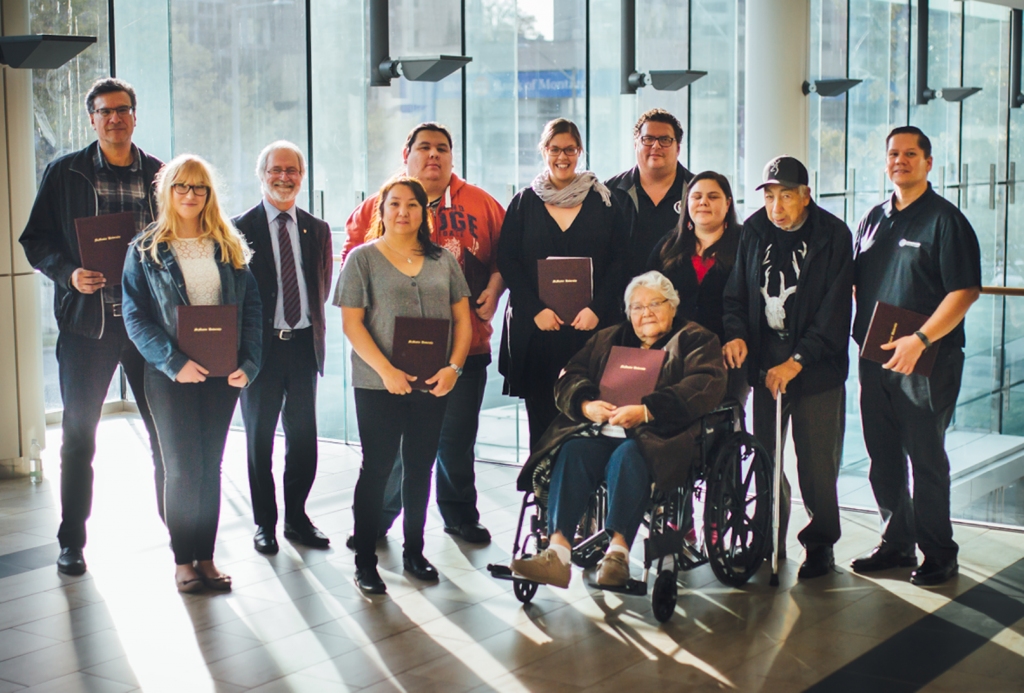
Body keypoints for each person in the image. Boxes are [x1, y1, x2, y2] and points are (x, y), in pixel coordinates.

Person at [19, 78, 164, 576]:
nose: (115, 119)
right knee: (79, 437)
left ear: (135, 115)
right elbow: (35, 240)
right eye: (105, 112)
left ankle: (179, 537)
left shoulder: (160, 175)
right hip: (89, 326)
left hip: (150, 328)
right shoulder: (66, 173)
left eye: (123, 110)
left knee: (165, 432)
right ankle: (72, 541)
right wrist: (69, 273)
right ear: (92, 119)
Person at [342, 123, 505, 546]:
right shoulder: (380, 203)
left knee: (455, 441)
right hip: (392, 356)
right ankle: (378, 520)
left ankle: (458, 515)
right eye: (425, 148)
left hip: (463, 350)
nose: (434, 155)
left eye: (443, 149)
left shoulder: (482, 203)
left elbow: (508, 256)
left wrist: (493, 289)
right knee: (393, 451)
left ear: (453, 157)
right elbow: (352, 264)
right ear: (407, 154)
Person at [510, 271, 725, 587]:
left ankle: (617, 555)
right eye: (636, 307)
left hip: (658, 438)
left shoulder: (696, 339)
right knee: (571, 450)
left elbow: (705, 384)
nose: (646, 313)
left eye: (655, 304)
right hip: (601, 433)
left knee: (629, 454)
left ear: (673, 306)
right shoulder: (609, 337)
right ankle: (557, 554)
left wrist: (647, 411)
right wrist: (586, 405)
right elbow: (570, 374)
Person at [122, 154, 262, 593]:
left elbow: (252, 311)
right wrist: (172, 362)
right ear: (167, 191)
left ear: (209, 194)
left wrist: (249, 363)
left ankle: (206, 556)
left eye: (199, 187)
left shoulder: (229, 245)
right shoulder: (145, 249)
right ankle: (184, 560)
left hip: (223, 375)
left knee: (211, 466)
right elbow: (135, 316)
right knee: (182, 467)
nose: (190, 195)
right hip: (170, 376)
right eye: (181, 186)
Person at [850, 126, 981, 586]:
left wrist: (921, 340)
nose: (899, 160)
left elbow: (964, 291)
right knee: (881, 456)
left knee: (925, 460)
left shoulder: (945, 220)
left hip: (927, 361)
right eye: (892, 154)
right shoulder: (873, 218)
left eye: (910, 154)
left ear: (928, 162)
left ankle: (939, 553)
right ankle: (896, 542)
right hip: (875, 359)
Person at [335, 175, 473, 595]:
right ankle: (365, 561)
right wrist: (386, 372)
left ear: (423, 211)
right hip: (379, 384)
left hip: (433, 383)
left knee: (419, 467)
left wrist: (453, 368)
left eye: (412, 205)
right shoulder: (362, 259)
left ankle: (415, 550)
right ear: (382, 210)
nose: (403, 212)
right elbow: (352, 324)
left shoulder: (443, 261)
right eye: (394, 204)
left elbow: (464, 321)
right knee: (376, 468)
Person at [722, 156, 852, 580]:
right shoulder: (756, 229)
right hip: (764, 366)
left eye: (787, 196)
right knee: (764, 458)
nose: (777, 206)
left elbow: (834, 314)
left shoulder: (833, 234)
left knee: (817, 464)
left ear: (806, 196)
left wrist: (796, 362)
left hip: (815, 368)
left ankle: (820, 545)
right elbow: (737, 293)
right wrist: (737, 333)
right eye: (772, 196)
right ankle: (765, 539)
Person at [497, 118, 625, 451]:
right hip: (538, 331)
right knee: (541, 424)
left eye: (570, 149)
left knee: (590, 420)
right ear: (544, 151)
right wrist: (535, 310)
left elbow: (621, 261)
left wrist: (597, 310)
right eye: (555, 149)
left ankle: (581, 495)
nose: (562, 156)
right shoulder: (524, 203)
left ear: (580, 151)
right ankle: (544, 497)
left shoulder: (606, 202)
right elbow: (508, 261)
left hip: (591, 331)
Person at [233, 141, 333, 555]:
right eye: (276, 169)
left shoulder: (317, 229)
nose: (284, 177)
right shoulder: (237, 228)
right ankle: (264, 523)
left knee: (304, 439)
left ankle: (296, 517)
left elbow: (321, 286)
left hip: (302, 348)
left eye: (292, 170)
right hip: (259, 352)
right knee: (259, 439)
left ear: (301, 176)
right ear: (262, 174)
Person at [647, 170, 744, 400]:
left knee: (719, 428)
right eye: (697, 196)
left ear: (728, 203)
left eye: (713, 196)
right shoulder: (670, 243)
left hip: (727, 356)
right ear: (686, 203)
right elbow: (644, 292)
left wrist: (738, 337)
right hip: (671, 356)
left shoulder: (745, 242)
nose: (703, 202)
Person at [606, 109, 694, 285]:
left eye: (665, 140)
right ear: (636, 144)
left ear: (678, 148)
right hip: (623, 302)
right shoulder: (611, 192)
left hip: (684, 301)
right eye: (648, 139)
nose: (656, 146)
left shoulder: (696, 191)